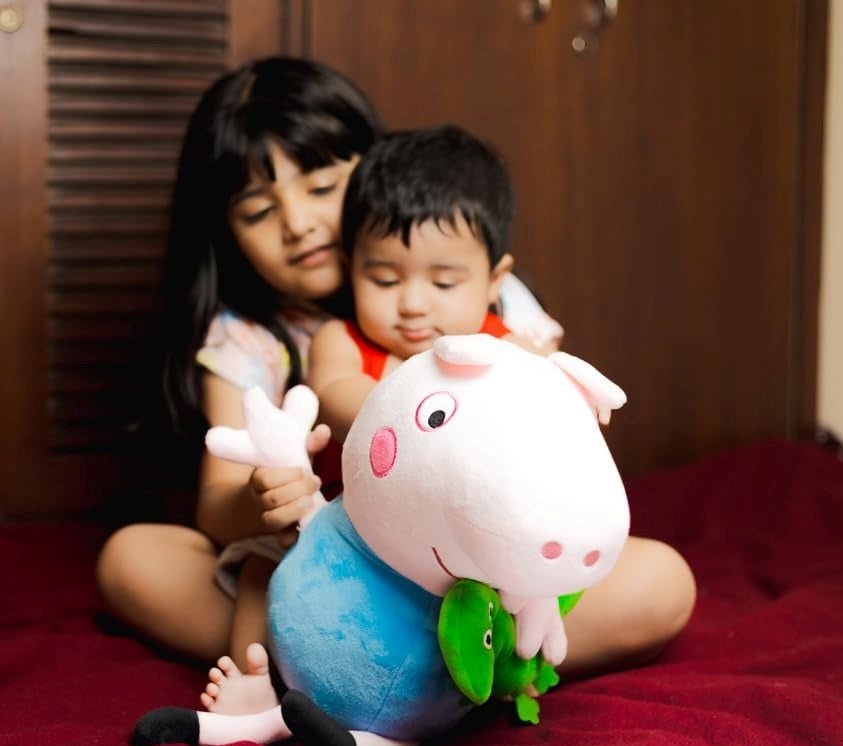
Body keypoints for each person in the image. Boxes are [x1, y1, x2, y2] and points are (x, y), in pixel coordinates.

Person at [95, 58, 569, 705]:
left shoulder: (478, 292)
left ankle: (421, 669)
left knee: (660, 581)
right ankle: (384, 670)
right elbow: (216, 508)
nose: (297, 222)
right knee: (133, 558)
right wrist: (263, 499)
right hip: (322, 573)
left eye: (321, 185)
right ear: (225, 233)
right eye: (259, 210)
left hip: (471, 572)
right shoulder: (247, 338)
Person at [199, 124, 696, 715]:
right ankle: (264, 688)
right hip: (348, 555)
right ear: (352, 264)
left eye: (442, 282)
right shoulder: (343, 340)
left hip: (472, 561)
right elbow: (337, 392)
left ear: (495, 281)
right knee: (263, 567)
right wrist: (417, 410)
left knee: (648, 580)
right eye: (383, 279)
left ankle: (490, 668)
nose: (412, 304)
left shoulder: (506, 344)